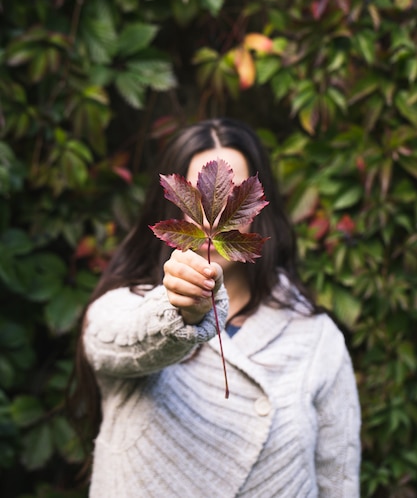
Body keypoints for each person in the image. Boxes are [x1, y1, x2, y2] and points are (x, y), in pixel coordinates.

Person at [73, 117, 361, 498]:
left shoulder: (315, 338)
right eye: (196, 197)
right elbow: (114, 341)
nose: (211, 217)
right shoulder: (126, 306)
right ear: (171, 205)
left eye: (233, 197)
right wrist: (181, 311)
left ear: (258, 209)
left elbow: (338, 482)